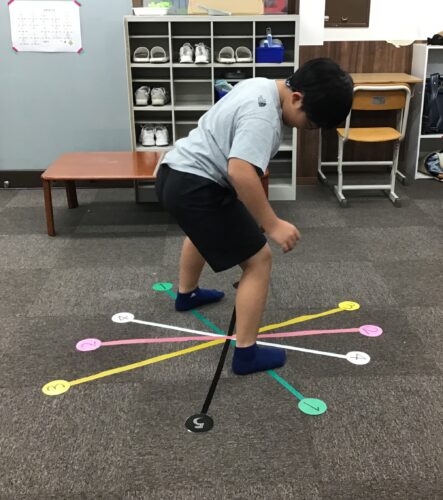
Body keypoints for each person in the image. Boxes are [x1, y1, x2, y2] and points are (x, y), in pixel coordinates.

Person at [155, 58, 354, 375]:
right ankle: (246, 354)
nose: (306, 129)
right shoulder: (265, 118)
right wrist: (272, 224)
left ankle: (187, 294)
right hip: (196, 187)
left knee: (201, 231)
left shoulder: (261, 84)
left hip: (173, 174)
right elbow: (240, 171)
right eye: (310, 124)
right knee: (259, 260)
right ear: (297, 98)